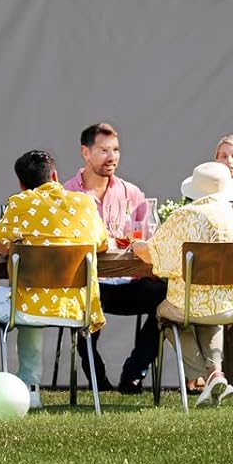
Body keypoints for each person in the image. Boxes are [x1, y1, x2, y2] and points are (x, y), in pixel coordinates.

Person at [0, 149, 108, 408]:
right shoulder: (85, 203)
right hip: (76, 307)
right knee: (32, 296)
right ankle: (30, 388)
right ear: (55, 176)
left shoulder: (21, 203)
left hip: (29, 304)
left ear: (21, 184)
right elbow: (102, 244)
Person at [138, 160, 233, 405]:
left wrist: (136, 245)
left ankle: (205, 377)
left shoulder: (184, 217)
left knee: (167, 314)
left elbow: (154, 255)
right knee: (210, 309)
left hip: (192, 306)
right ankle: (216, 374)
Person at [64, 121, 163, 394]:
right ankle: (98, 380)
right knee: (85, 306)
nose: (112, 157)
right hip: (90, 285)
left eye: (116, 150)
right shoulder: (67, 195)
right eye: (104, 150)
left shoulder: (133, 193)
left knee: (169, 297)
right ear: (85, 152)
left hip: (129, 283)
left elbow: (148, 237)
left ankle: (134, 374)